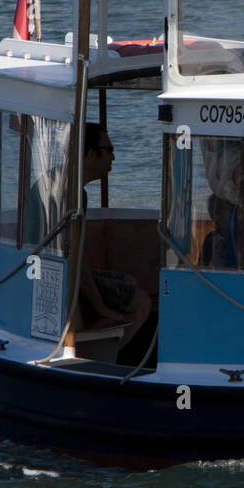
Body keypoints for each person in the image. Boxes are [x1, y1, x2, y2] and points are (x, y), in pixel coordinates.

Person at [76, 124, 152, 349]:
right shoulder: (74, 196)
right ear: (91, 155)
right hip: (66, 276)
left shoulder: (70, 188)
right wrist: (100, 307)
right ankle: (100, 362)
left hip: (64, 272)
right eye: (109, 150)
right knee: (141, 303)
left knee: (128, 282)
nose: (113, 157)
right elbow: (75, 262)